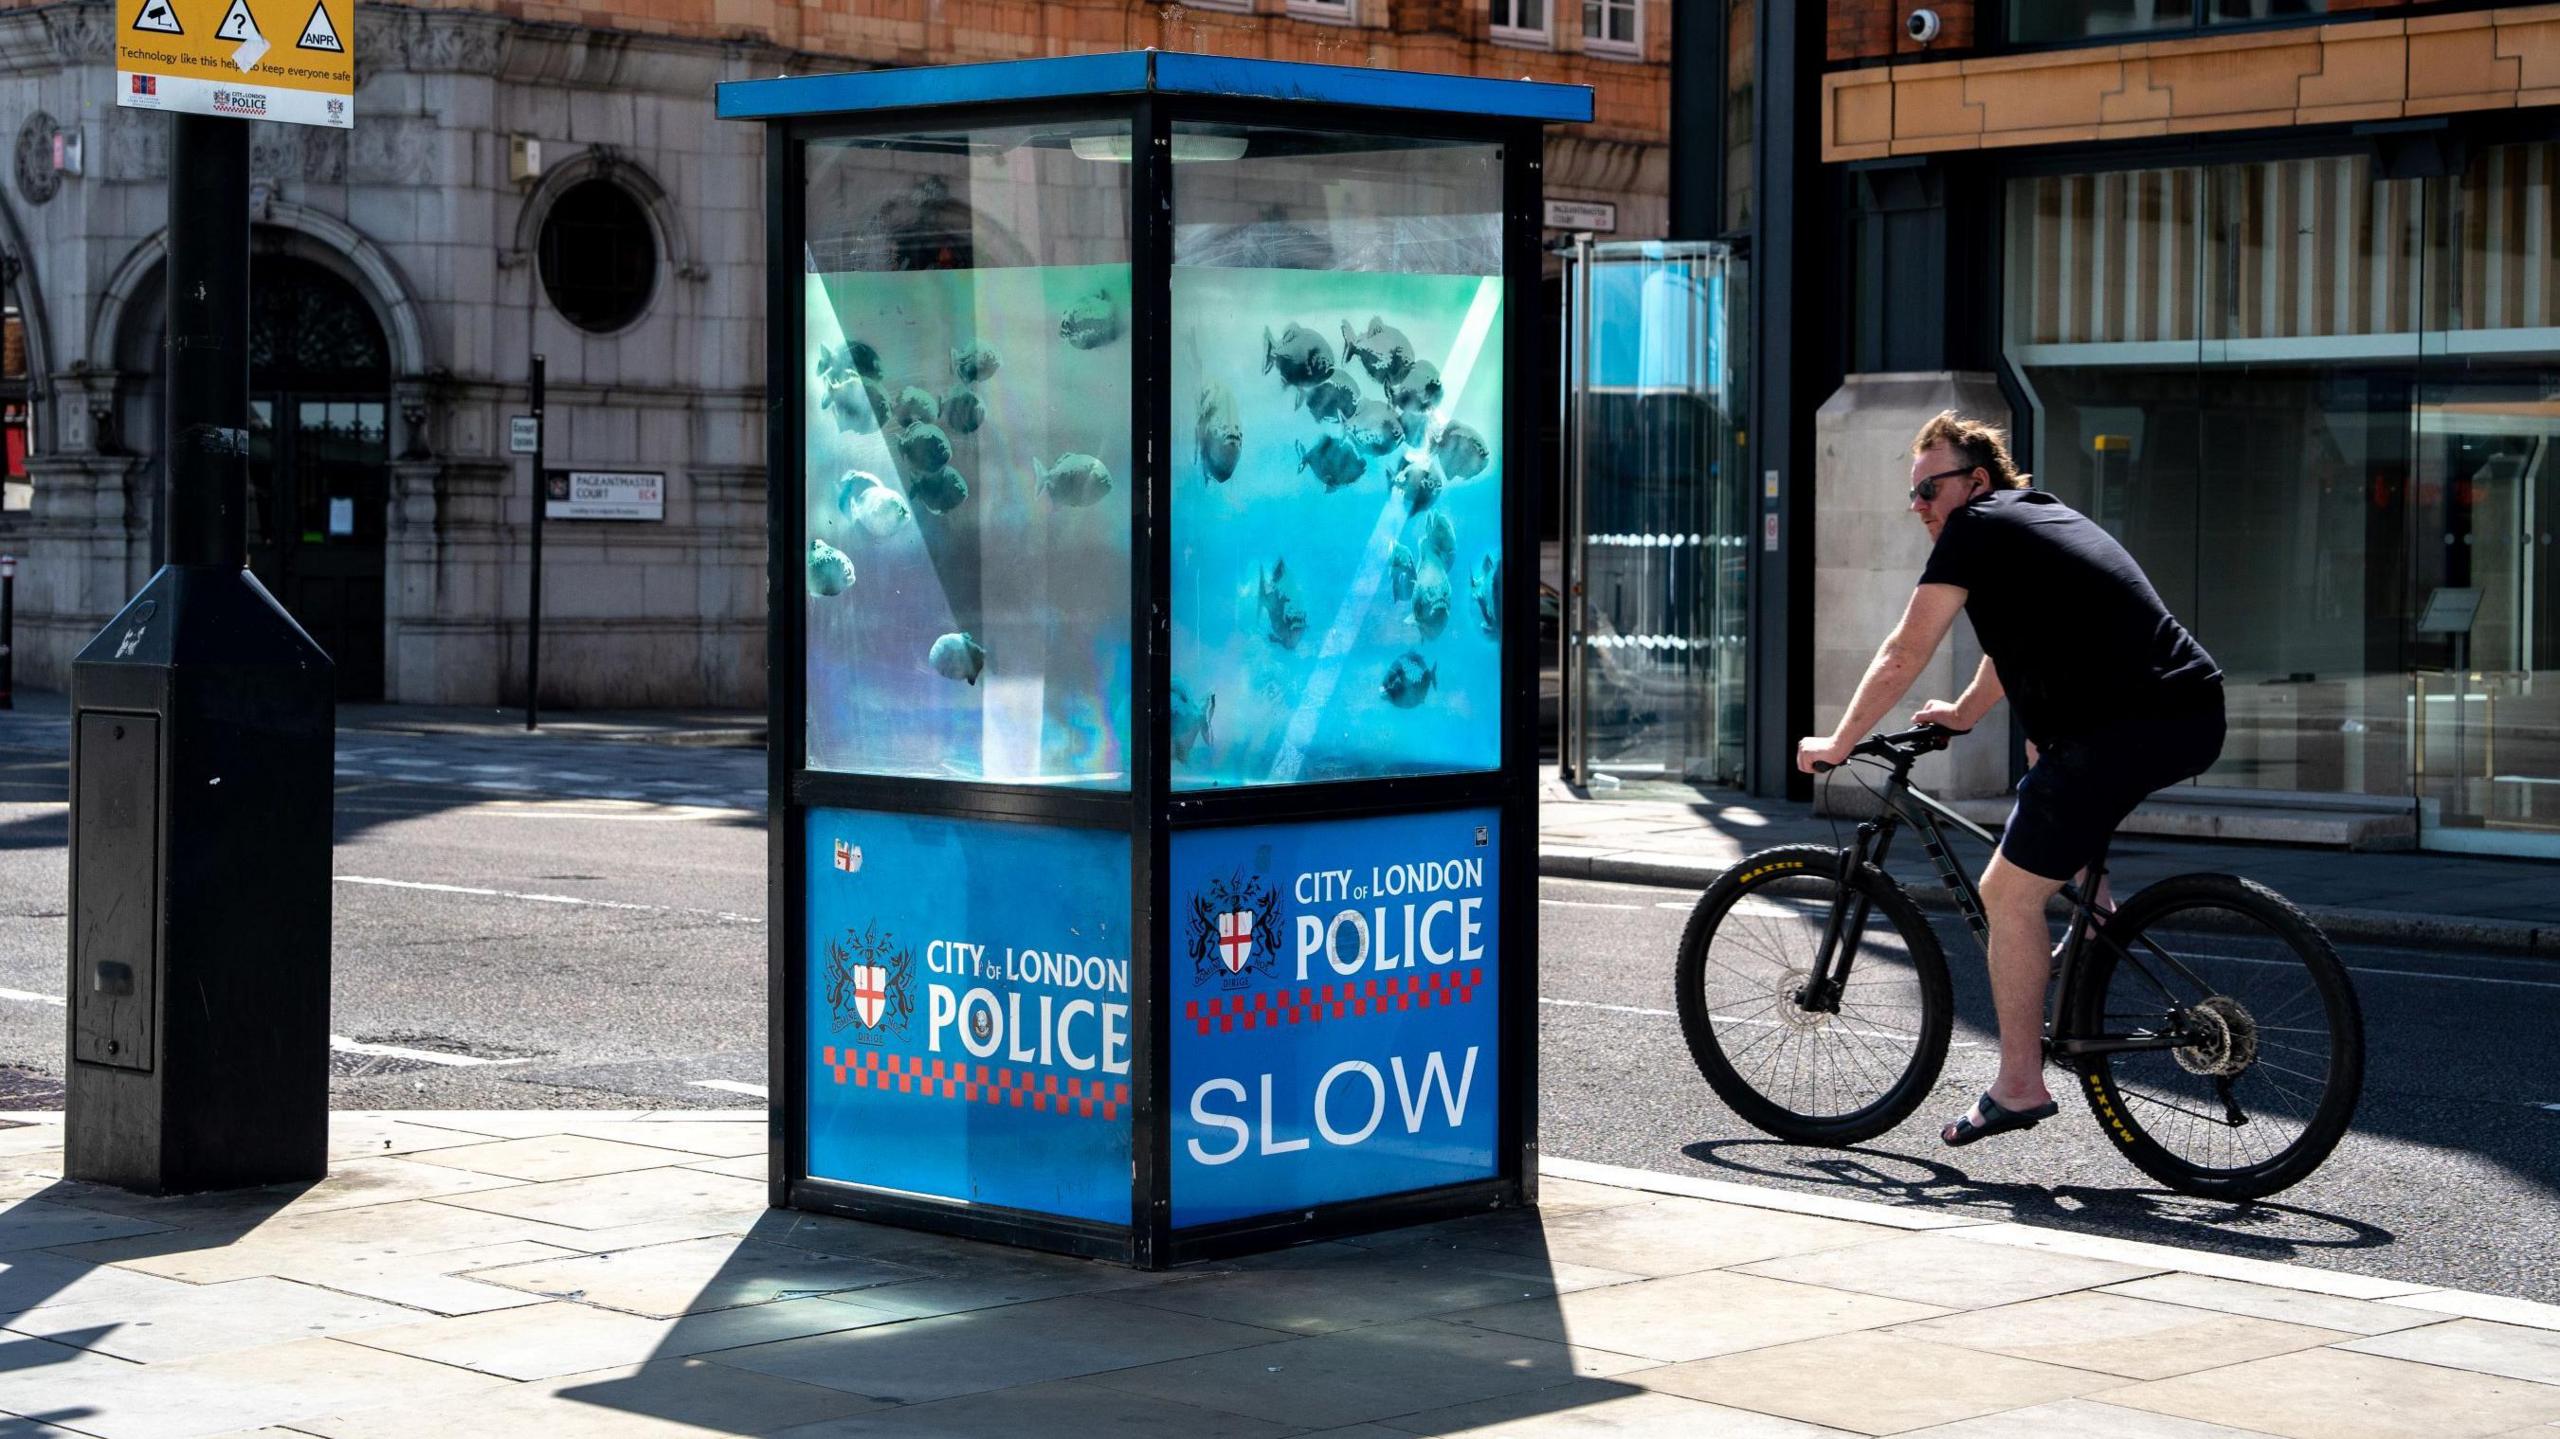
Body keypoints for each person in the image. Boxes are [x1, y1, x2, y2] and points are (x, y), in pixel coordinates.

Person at [1795, 411, 2224, 1148]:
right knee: (2041, 753)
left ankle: (2020, 1084)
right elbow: (2022, 637)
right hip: (2185, 709)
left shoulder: (1979, 527)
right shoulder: (2035, 517)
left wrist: (1840, 739)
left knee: (2006, 892)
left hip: (2130, 724)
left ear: (1977, 481)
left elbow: (1904, 650)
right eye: (1914, 493)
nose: (1919, 506)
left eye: (1930, 489)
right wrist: (1963, 712)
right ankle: (2095, 919)